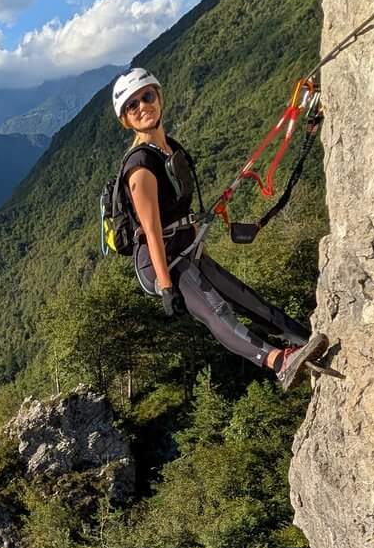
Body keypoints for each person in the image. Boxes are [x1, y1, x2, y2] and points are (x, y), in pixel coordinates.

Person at [111, 68, 328, 388]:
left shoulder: (169, 148)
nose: (143, 106)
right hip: (162, 261)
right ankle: (280, 361)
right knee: (217, 311)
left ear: (159, 97)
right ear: (126, 120)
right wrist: (167, 286)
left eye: (147, 96)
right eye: (132, 106)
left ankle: (307, 339)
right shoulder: (140, 165)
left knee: (248, 300)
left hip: (186, 246)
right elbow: (152, 229)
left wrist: (200, 248)